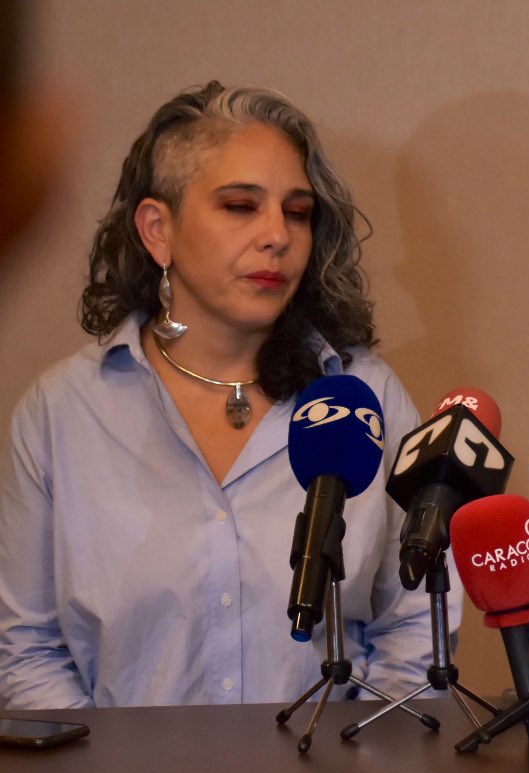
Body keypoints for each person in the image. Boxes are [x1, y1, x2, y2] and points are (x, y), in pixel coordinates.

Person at [0, 81, 450, 708]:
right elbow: (25, 650)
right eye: (241, 206)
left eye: (298, 212)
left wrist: (356, 756)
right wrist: (114, 769)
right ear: (158, 230)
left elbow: (417, 625)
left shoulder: (364, 397)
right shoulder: (62, 413)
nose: (277, 235)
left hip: (330, 772)